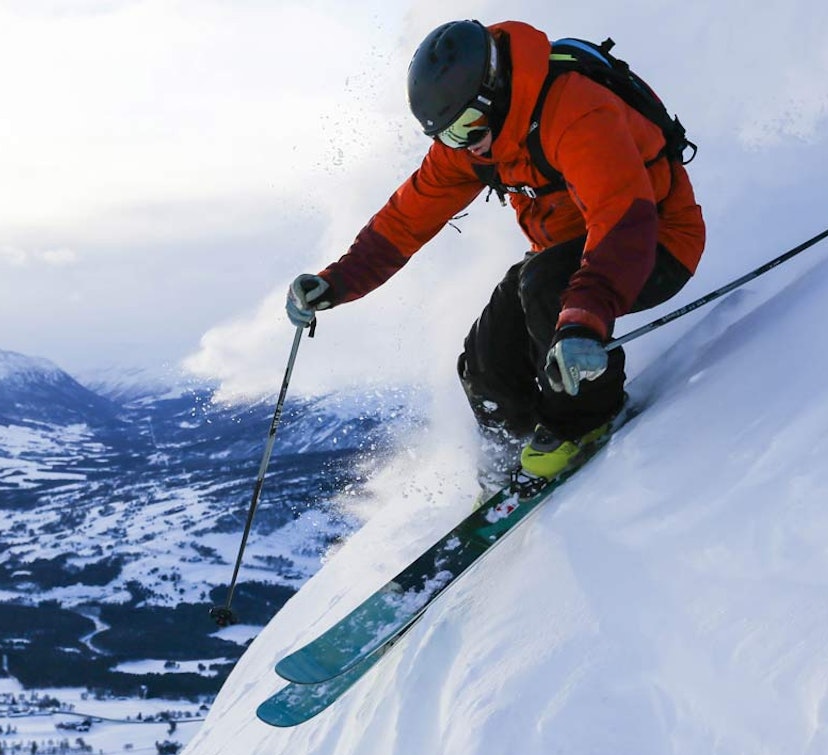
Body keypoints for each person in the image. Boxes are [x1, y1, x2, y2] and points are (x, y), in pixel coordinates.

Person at [286, 19, 705, 494]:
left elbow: (622, 222)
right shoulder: (473, 141)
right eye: (446, 136)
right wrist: (337, 281)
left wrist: (583, 322)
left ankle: (584, 421)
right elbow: (407, 219)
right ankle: (515, 445)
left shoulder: (575, 109)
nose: (461, 143)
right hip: (567, 255)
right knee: (485, 358)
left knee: (544, 286)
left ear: (495, 91)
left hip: (655, 242)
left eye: (466, 127)